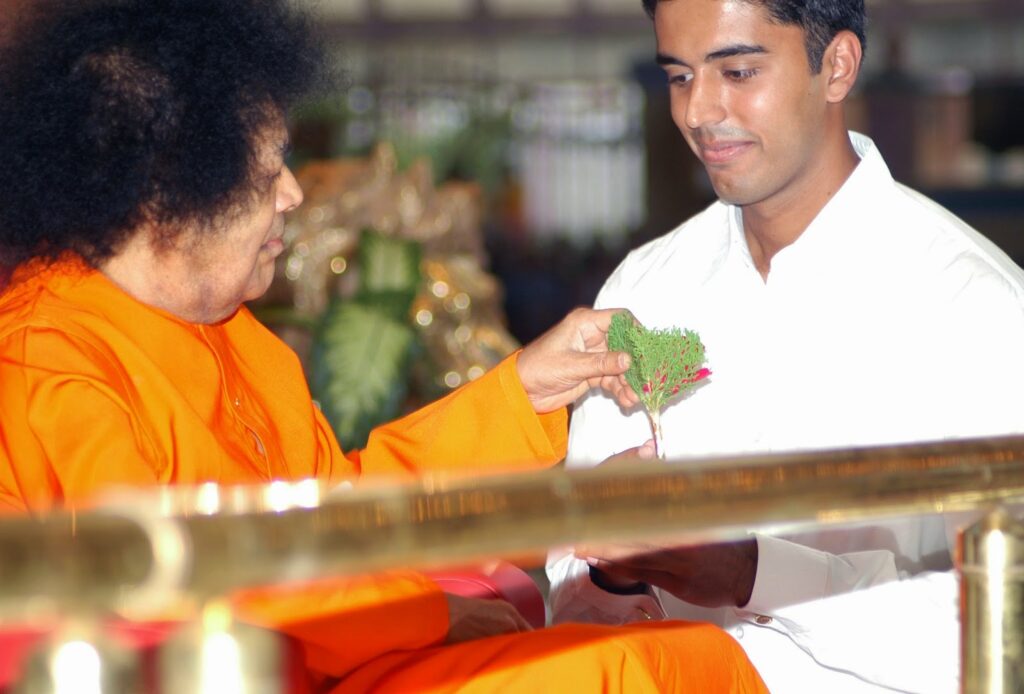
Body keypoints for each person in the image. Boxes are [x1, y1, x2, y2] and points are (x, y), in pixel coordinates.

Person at [0, 0, 770, 691]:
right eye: (269, 171)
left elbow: (350, 511)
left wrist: (523, 390)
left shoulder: (232, 334)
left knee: (679, 659)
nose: (295, 195)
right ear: (170, 200)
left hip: (336, 654)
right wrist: (430, 615)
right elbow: (186, 584)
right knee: (634, 669)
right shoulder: (48, 362)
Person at [547, 0, 1024, 692]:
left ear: (836, 65)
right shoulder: (645, 291)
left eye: (736, 71)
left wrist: (751, 573)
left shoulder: (974, 306)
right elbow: (571, 587)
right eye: (680, 78)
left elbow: (1000, 629)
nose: (699, 113)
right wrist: (612, 567)